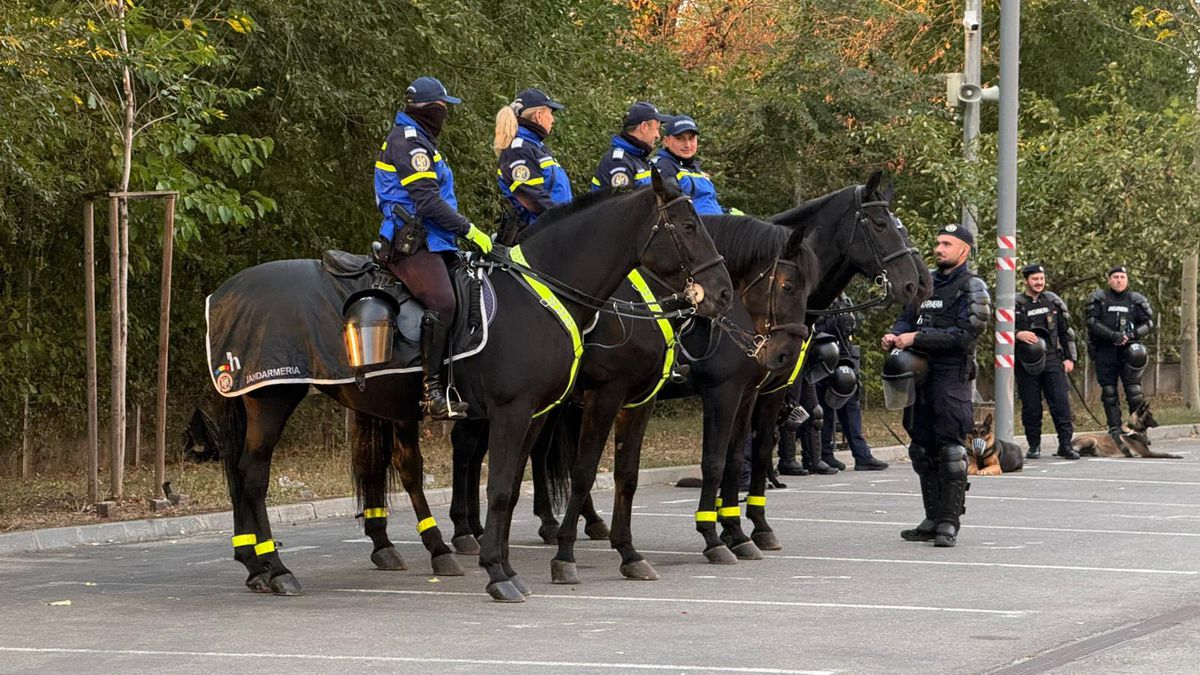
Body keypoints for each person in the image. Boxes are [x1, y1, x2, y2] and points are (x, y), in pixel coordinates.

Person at [374, 76, 493, 420]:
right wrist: (471, 229)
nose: (445, 115)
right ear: (429, 110)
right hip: (408, 242)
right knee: (443, 301)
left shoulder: (421, 141)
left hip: (433, 239)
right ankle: (431, 392)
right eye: (443, 108)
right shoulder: (409, 142)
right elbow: (427, 203)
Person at [882, 224, 989, 548]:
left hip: (950, 376)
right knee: (920, 448)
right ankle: (931, 517)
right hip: (918, 374)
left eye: (947, 243)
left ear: (964, 250)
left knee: (951, 450)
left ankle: (948, 522)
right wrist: (895, 333)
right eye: (938, 242)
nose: (939, 248)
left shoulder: (973, 287)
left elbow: (967, 334)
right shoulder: (924, 283)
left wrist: (918, 337)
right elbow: (906, 318)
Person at [815, 294, 889, 471]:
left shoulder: (845, 299)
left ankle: (862, 455)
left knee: (851, 405)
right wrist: (835, 321)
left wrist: (846, 321)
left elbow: (853, 327)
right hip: (822, 358)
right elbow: (817, 329)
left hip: (844, 358)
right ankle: (825, 453)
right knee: (825, 409)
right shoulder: (819, 297)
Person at [1086, 266, 1154, 456]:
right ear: (1109, 280)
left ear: (1127, 280)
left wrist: (1131, 334)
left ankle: (1138, 430)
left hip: (1129, 351)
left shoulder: (1135, 300)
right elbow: (1091, 322)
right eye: (1115, 277)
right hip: (1105, 350)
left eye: (1122, 277)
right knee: (1109, 392)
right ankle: (1114, 428)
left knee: (1134, 391)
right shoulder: (1099, 298)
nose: (1118, 280)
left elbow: (1148, 322)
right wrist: (1112, 335)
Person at [1014, 264, 1079, 460]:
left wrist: (1070, 358)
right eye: (1035, 279)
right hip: (1026, 363)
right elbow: (1000, 333)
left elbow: (1066, 331)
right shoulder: (1015, 304)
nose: (1039, 282)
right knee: (1031, 407)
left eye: (1041, 279)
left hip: (1052, 360)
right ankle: (1034, 446)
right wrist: (1018, 334)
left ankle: (1065, 445)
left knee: (1061, 403)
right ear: (1026, 280)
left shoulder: (1053, 301)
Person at [494, 88, 571, 230]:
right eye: (551, 113)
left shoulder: (535, 147)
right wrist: (569, 219)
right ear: (539, 115)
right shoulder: (518, 150)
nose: (553, 120)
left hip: (554, 231)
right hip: (538, 237)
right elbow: (533, 198)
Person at [649, 115, 739, 215]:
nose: (687, 145)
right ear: (666, 141)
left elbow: (707, 203)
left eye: (691, 138)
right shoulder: (663, 167)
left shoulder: (695, 168)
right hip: (696, 227)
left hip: (718, 222)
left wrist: (727, 212)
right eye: (680, 138)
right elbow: (674, 211)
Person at [592, 101, 668, 190]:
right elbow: (622, 202)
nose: (658, 135)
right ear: (644, 127)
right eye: (656, 129)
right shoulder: (619, 163)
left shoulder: (637, 157)